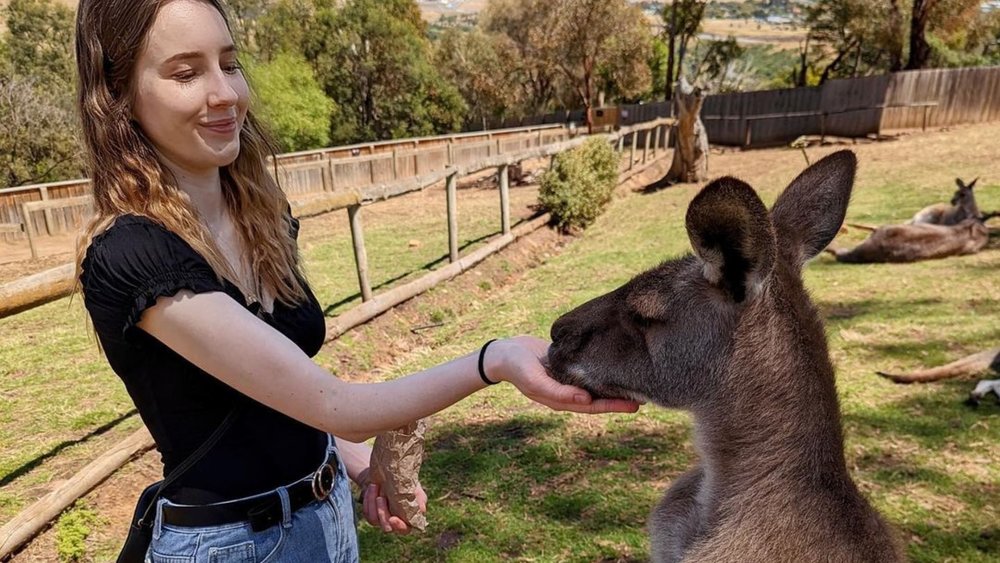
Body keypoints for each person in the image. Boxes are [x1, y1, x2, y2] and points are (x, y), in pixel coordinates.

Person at [73, 1, 639, 561]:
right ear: (117, 93)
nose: (225, 93)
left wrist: (355, 463)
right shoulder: (133, 256)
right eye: (186, 73)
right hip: (228, 545)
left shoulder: (261, 216)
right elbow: (336, 404)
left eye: (229, 63)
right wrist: (495, 360)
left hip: (325, 514)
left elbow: (276, 397)